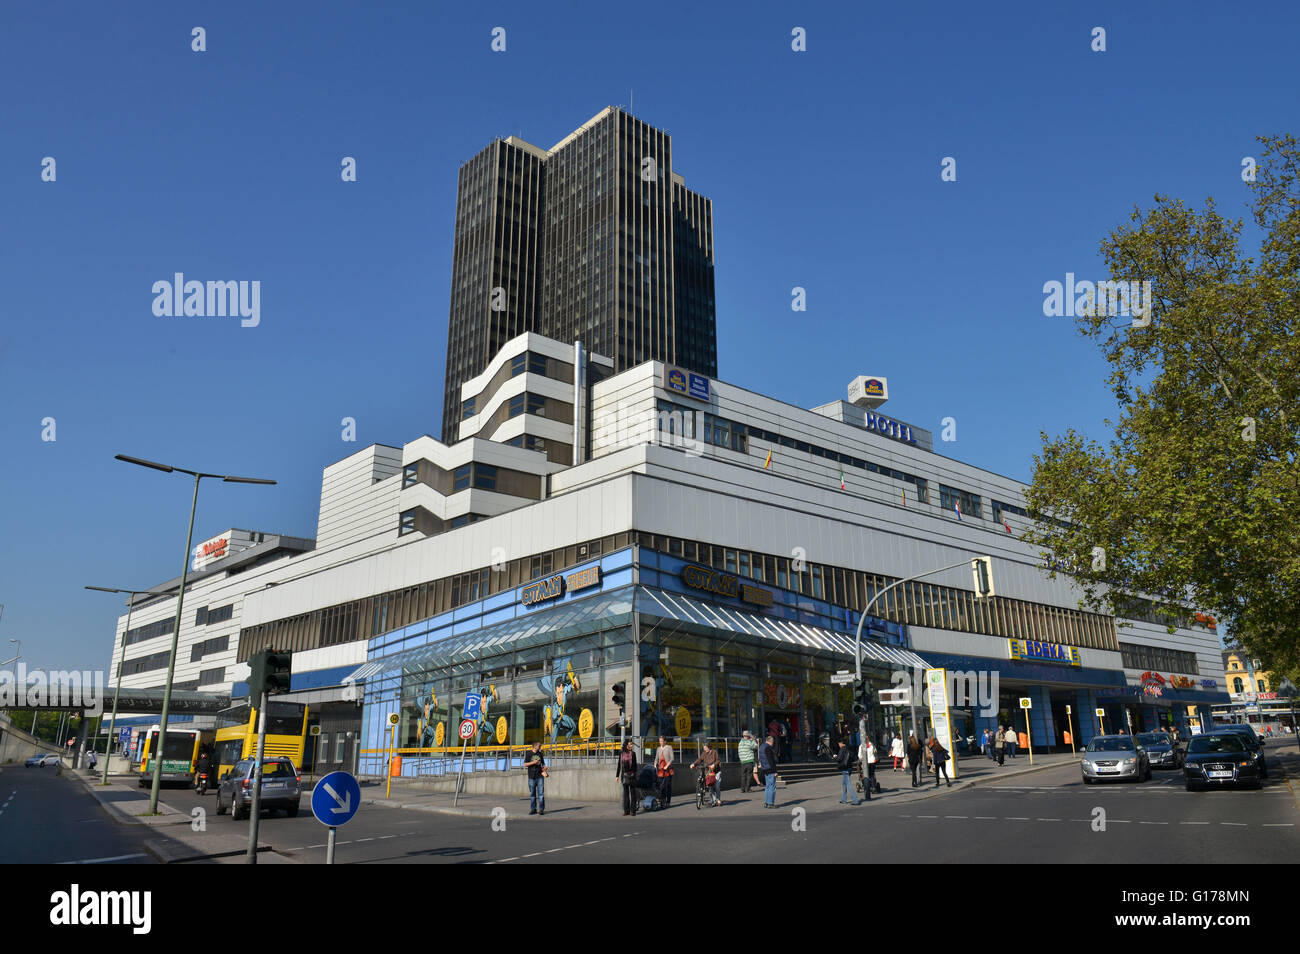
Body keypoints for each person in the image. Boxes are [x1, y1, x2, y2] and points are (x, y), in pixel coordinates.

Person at [690, 742, 723, 807]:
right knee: (710, 786)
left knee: (717, 786)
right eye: (704, 748)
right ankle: (713, 801)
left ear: (709, 747)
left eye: (705, 748)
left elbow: (718, 760)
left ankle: (718, 799)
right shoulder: (704, 754)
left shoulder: (714, 752)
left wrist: (714, 765)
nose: (704, 749)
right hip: (708, 772)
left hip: (716, 771)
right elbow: (699, 760)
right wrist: (693, 764)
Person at [835, 740, 861, 805]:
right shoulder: (849, 748)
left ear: (841, 743)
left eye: (839, 743)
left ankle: (855, 800)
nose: (839, 745)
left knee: (848, 784)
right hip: (849, 767)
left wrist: (835, 757)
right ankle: (844, 799)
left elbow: (839, 759)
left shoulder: (842, 749)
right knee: (844, 784)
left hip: (845, 768)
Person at [617, 740, 639, 816]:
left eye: (631, 744)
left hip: (632, 776)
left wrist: (635, 774)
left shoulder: (633, 754)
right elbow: (619, 765)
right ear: (626, 745)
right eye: (630, 744)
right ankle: (626, 810)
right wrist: (617, 776)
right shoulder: (621, 754)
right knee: (625, 794)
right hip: (624, 776)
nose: (631, 746)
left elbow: (635, 766)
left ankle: (633, 811)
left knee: (633, 794)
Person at [524, 741, 547, 815]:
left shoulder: (540, 754)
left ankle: (541, 809)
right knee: (532, 794)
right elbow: (525, 764)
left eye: (540, 746)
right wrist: (533, 762)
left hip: (539, 776)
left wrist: (545, 769)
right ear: (534, 746)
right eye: (539, 746)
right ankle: (533, 809)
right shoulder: (529, 754)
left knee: (541, 794)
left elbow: (543, 764)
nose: (540, 747)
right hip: (531, 776)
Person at [758, 734, 780, 808]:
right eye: (773, 742)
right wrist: (775, 771)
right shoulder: (768, 748)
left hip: (765, 769)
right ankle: (770, 803)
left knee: (767, 786)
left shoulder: (761, 747)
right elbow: (771, 760)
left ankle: (767, 803)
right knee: (772, 787)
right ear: (771, 741)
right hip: (770, 769)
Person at [655, 736, 675, 808]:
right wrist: (655, 764)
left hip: (668, 770)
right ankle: (663, 800)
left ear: (665, 741)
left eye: (662, 741)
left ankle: (668, 801)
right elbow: (656, 758)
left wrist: (667, 765)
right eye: (660, 741)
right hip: (661, 770)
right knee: (662, 786)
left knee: (668, 786)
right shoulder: (658, 748)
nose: (661, 742)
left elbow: (672, 758)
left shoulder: (669, 747)